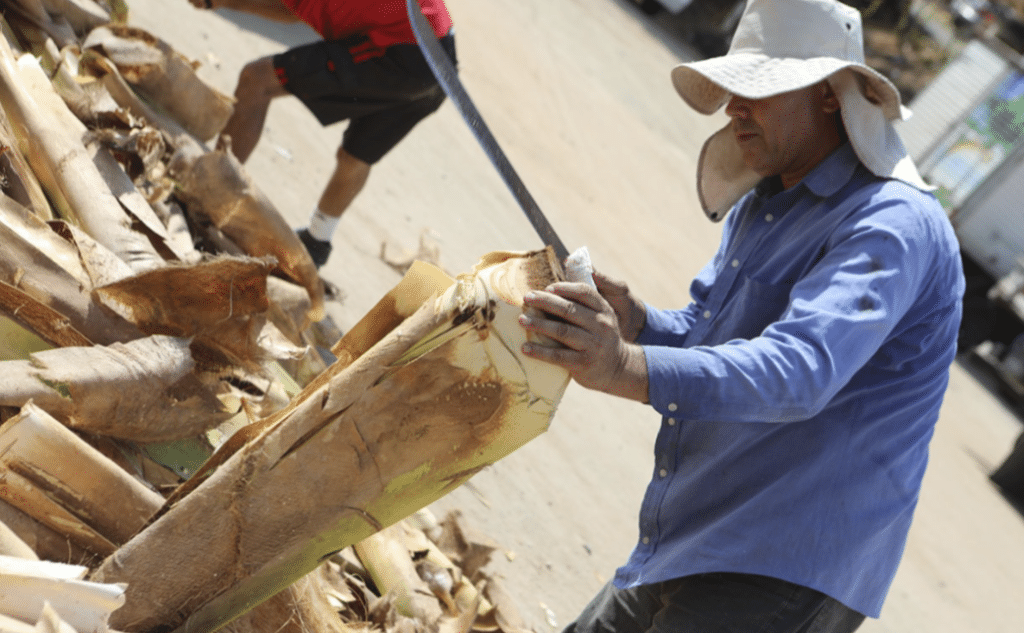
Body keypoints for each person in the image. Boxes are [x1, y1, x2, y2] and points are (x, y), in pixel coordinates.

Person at [517, 0, 964, 631]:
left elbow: (799, 370)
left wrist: (624, 365)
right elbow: (712, 333)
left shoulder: (891, 225)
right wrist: (638, 323)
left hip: (784, 560)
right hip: (709, 529)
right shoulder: (771, 196)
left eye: (759, 91)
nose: (734, 108)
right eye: (735, 89)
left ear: (831, 97)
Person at [188, 0, 456, 268]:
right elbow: (294, 9)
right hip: (441, 55)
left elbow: (293, 12)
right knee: (355, 156)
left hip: (399, 51)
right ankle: (317, 241)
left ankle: (208, 198)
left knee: (258, 80)